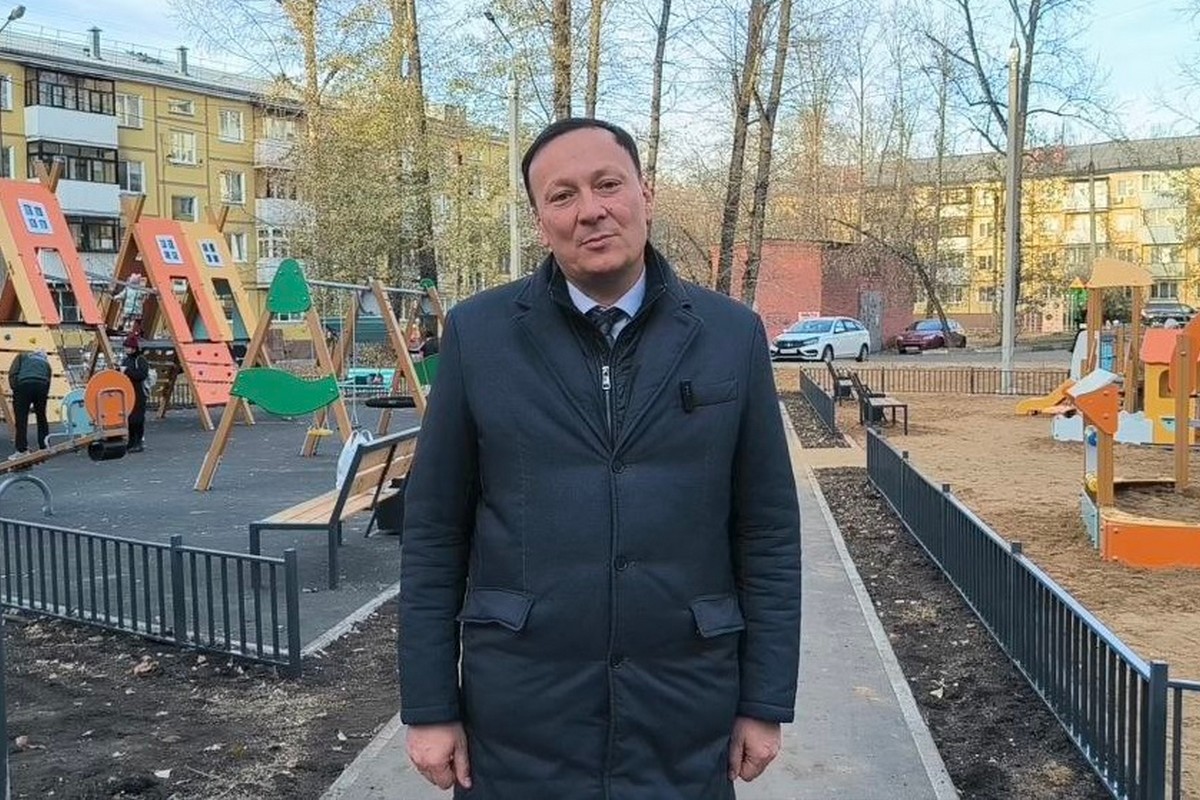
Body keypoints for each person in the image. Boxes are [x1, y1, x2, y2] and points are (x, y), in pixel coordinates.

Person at [398, 118, 802, 799]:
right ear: (540, 221)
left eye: (608, 184)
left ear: (646, 193)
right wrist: (430, 707)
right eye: (562, 196)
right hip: (520, 712)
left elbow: (767, 530)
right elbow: (435, 529)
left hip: (684, 708)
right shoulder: (480, 334)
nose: (590, 210)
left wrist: (764, 700)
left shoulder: (730, 336)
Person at [7, 349, 52, 458]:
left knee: (21, 419)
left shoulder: (22, 356)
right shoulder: (46, 363)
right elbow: (48, 380)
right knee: (41, 416)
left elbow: (13, 372)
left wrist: (16, 389)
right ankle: (44, 446)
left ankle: (22, 450)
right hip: (41, 386)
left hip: (24, 384)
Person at [121, 335, 149, 453]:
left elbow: (142, 375)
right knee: (130, 419)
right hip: (128, 392)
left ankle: (138, 442)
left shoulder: (140, 360)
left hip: (138, 393)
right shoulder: (126, 360)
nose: (126, 349)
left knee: (137, 419)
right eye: (125, 347)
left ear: (133, 348)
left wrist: (126, 371)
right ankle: (131, 441)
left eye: (128, 347)